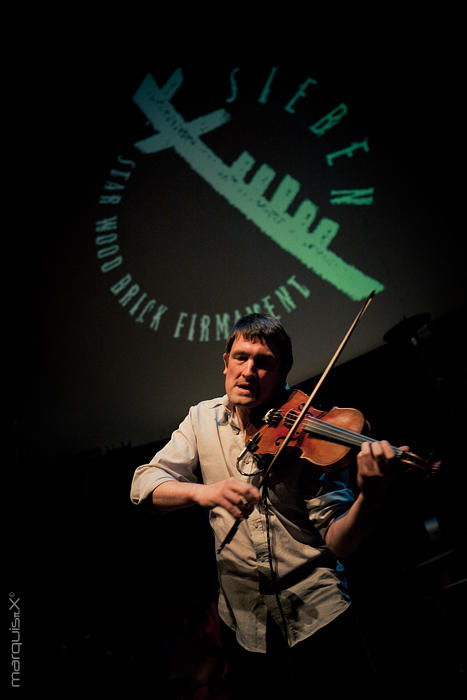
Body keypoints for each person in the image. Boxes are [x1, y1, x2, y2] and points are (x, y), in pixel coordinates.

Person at [130, 314, 405, 696]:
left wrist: (371, 496)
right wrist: (202, 493)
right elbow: (143, 484)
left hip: (317, 612)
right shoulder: (201, 419)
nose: (249, 371)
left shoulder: (306, 432)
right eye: (240, 358)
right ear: (224, 361)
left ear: (282, 372)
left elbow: (340, 541)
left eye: (264, 363)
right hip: (244, 621)